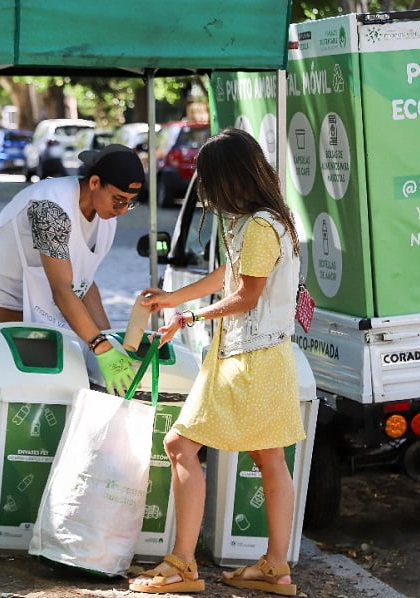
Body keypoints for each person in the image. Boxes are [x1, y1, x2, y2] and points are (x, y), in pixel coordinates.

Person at [127, 128, 306, 596]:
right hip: (267, 359)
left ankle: (182, 565)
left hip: (246, 363)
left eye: (208, 179)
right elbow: (228, 276)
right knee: (271, 461)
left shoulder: (258, 227)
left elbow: (246, 296)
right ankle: (275, 567)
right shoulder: (269, 221)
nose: (204, 190)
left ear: (229, 178)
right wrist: (174, 298)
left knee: (179, 446)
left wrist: (186, 315)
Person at [0, 143, 145, 396]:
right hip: (1, 303)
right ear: (94, 182)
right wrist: (99, 345)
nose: (123, 210)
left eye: (130, 203)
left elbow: (84, 283)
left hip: (47, 302)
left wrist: (110, 339)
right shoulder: (51, 207)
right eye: (118, 200)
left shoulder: (106, 218)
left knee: (50, 397)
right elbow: (62, 289)